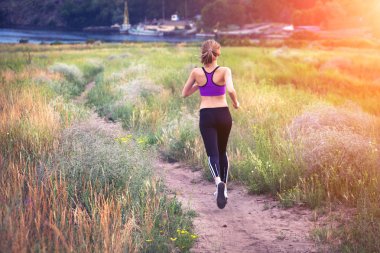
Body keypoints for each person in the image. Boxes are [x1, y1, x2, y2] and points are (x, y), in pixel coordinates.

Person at [181, 39, 239, 209]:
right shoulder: (225, 70)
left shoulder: (196, 72)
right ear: (217, 53)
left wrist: (200, 86)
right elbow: (230, 90)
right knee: (223, 152)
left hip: (206, 114)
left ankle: (218, 182)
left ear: (203, 53)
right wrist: (236, 103)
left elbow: (184, 94)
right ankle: (225, 190)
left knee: (212, 153)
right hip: (223, 114)